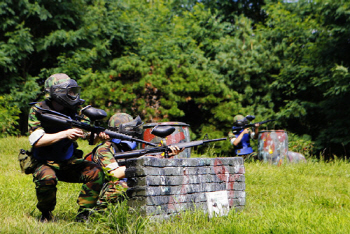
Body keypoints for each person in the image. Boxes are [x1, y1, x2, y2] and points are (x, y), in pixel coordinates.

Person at [28, 73, 107, 222]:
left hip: (68, 161)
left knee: (95, 172)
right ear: (57, 91)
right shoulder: (38, 109)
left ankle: (84, 215)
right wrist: (65, 133)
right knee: (47, 177)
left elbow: (88, 135)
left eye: (74, 92)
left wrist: (97, 137)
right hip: (44, 162)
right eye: (70, 92)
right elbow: (37, 141)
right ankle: (46, 214)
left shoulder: (76, 110)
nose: (73, 95)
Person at [87, 113, 183, 208]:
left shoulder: (126, 147)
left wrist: (164, 155)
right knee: (121, 186)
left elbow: (142, 159)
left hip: (121, 187)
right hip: (102, 190)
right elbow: (114, 173)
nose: (135, 131)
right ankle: (97, 211)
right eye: (132, 128)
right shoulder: (104, 149)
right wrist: (142, 165)